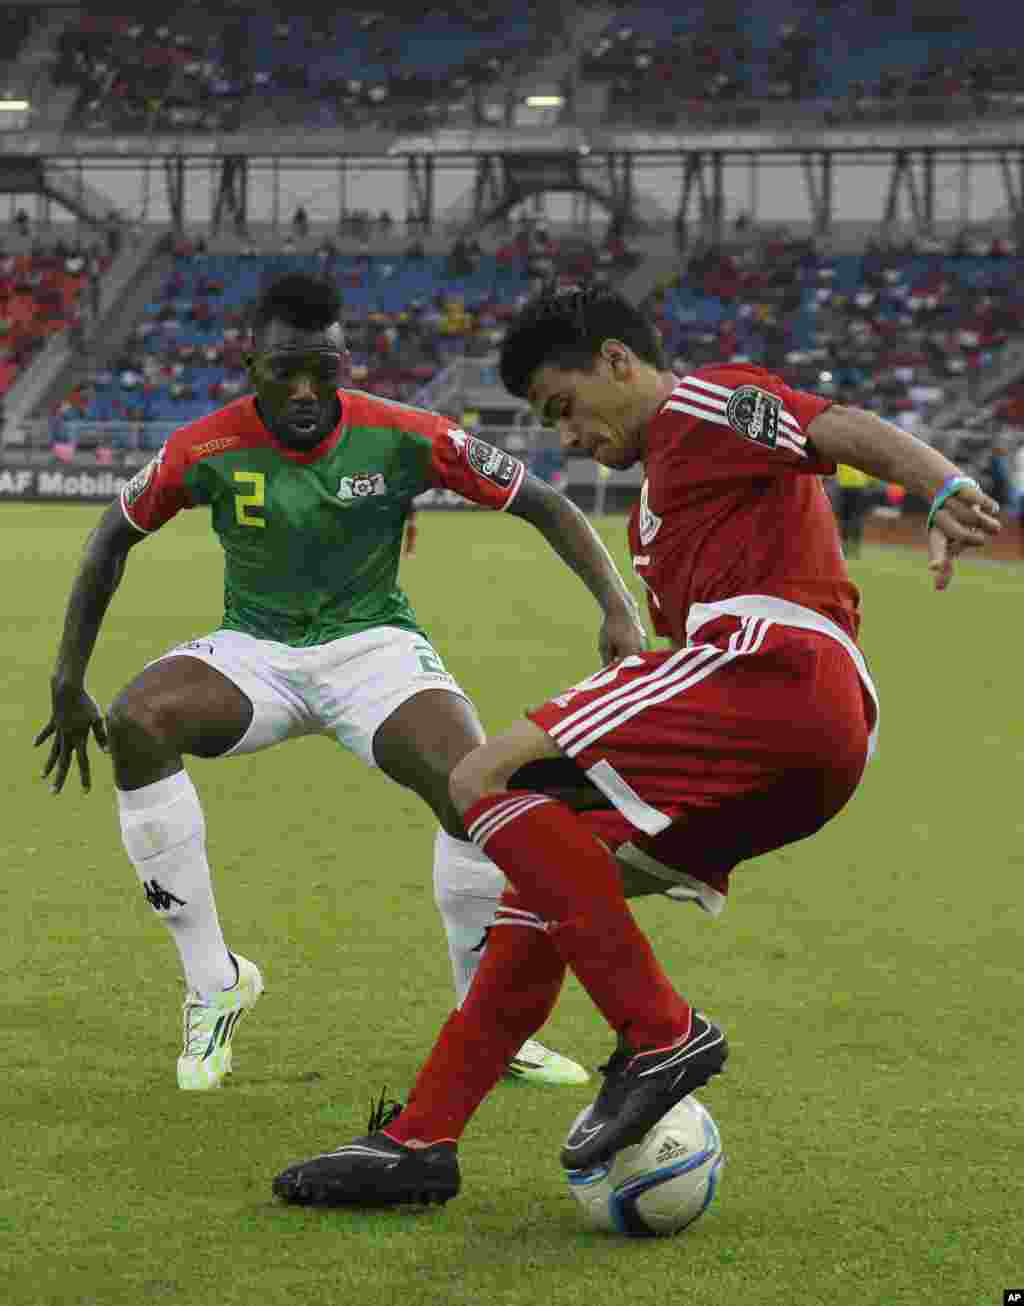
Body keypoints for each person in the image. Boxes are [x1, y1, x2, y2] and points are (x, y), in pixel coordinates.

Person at [272, 284, 1001, 1207]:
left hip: (779, 670)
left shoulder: (701, 403)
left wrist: (941, 483)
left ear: (618, 362)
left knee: (481, 776)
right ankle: (422, 1139)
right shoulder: (651, 511)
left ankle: (662, 1031)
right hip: (789, 741)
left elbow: (836, 425)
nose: (568, 439)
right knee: (543, 887)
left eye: (563, 409)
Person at [36, 275, 648, 1094]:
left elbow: (543, 503)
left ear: (345, 364)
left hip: (375, 649)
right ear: (250, 364)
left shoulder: (403, 434)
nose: (302, 390)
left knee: (471, 782)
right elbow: (110, 541)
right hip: (255, 650)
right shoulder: (203, 447)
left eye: (322, 369)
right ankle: (215, 981)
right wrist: (67, 678)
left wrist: (617, 607)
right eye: (284, 369)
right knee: (140, 720)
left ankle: (488, 1023)